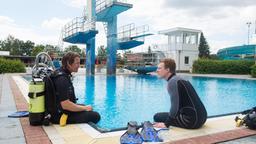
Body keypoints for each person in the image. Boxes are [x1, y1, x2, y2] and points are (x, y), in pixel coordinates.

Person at [153, 58, 207, 129]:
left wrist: (167, 124)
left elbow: (175, 106)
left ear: (167, 70)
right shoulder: (179, 79)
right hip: (202, 117)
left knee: (157, 117)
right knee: (166, 115)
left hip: (191, 121)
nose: (157, 70)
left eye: (159, 68)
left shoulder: (172, 82)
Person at [50, 52, 100, 124]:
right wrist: (85, 108)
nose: (79, 65)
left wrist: (84, 108)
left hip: (59, 110)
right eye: (77, 63)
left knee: (86, 107)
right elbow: (65, 104)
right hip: (59, 116)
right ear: (68, 63)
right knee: (95, 116)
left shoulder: (62, 73)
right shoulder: (62, 79)